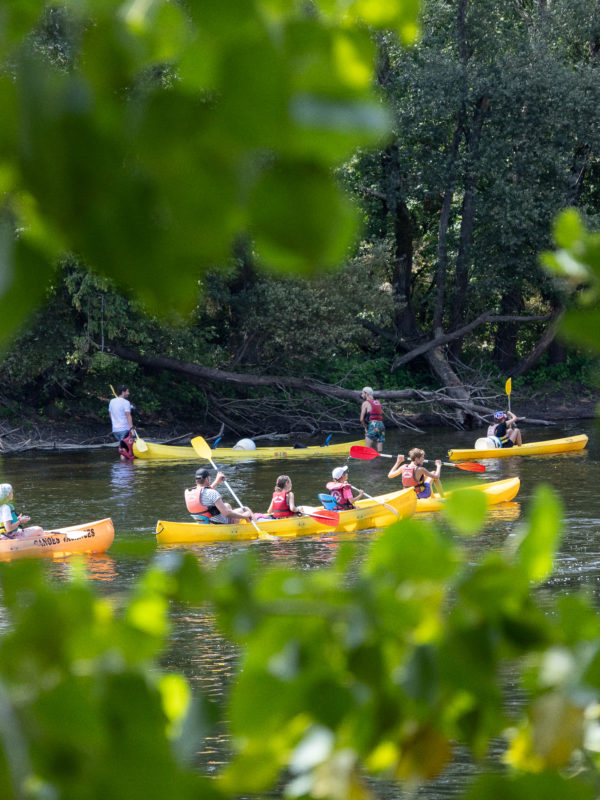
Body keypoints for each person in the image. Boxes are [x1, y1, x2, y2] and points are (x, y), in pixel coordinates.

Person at [185, 468, 254, 524]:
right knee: (246, 509)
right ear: (207, 479)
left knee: (227, 505)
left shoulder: (189, 492)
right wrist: (243, 516)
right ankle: (254, 527)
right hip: (220, 522)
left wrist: (217, 481)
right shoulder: (212, 493)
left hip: (206, 522)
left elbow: (206, 493)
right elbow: (226, 513)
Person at [360, 387, 385, 453]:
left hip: (373, 425)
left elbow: (361, 419)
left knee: (367, 450)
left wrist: (365, 428)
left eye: (362, 393)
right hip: (381, 425)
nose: (361, 395)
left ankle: (367, 462)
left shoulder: (365, 403)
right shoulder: (378, 402)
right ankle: (380, 460)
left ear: (366, 394)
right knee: (379, 445)